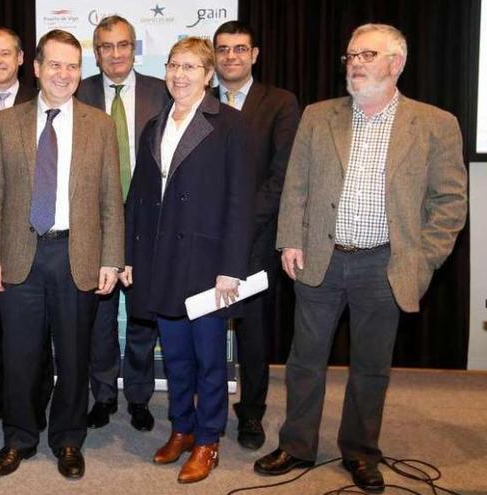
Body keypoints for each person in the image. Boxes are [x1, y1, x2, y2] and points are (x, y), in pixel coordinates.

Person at [254, 24, 468, 493]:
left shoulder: (435, 123)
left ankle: (360, 451)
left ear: (396, 63)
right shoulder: (318, 115)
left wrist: (423, 258)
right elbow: (297, 186)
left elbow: (450, 201)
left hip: (385, 265)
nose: (355, 63)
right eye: (351, 55)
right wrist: (291, 239)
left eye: (367, 54)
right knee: (304, 359)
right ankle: (297, 444)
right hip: (321, 259)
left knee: (371, 364)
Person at [0, 29, 124, 480]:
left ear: (81, 73)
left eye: (73, 66)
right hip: (21, 254)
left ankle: (67, 438)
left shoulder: (99, 124)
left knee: (74, 355)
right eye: (55, 64)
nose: (64, 74)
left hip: (76, 255)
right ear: (36, 67)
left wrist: (111, 260)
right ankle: (18, 437)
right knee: (20, 355)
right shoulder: (8, 122)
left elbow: (109, 200)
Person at [122, 36, 254, 484]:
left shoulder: (231, 125)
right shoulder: (153, 125)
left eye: (191, 67)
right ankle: (181, 427)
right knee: (175, 355)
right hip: (161, 261)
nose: (180, 74)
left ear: (208, 75)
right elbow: (138, 198)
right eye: (174, 66)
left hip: (206, 263)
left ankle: (209, 438)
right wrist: (130, 257)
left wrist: (231, 267)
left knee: (209, 358)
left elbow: (240, 202)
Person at [75, 14, 168, 432]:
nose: (115, 54)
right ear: (96, 53)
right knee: (100, 314)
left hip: (147, 222)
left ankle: (139, 396)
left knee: (143, 315)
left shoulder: (162, 92)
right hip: (93, 222)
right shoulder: (77, 93)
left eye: (123, 45)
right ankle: (103, 394)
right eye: (106, 46)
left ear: (134, 48)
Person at [212, 20, 301, 450]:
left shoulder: (280, 103)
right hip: (205, 240)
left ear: (255, 54)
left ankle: (251, 414)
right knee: (205, 327)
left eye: (240, 49)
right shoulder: (200, 100)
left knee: (252, 332)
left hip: (256, 238)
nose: (231, 56)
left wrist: (241, 226)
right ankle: (205, 412)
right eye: (224, 49)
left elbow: (282, 176)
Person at [0, 26, 55, 435]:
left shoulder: (43, 101)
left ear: (22, 59)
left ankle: (37, 403)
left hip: (36, 233)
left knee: (38, 331)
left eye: (6, 54)